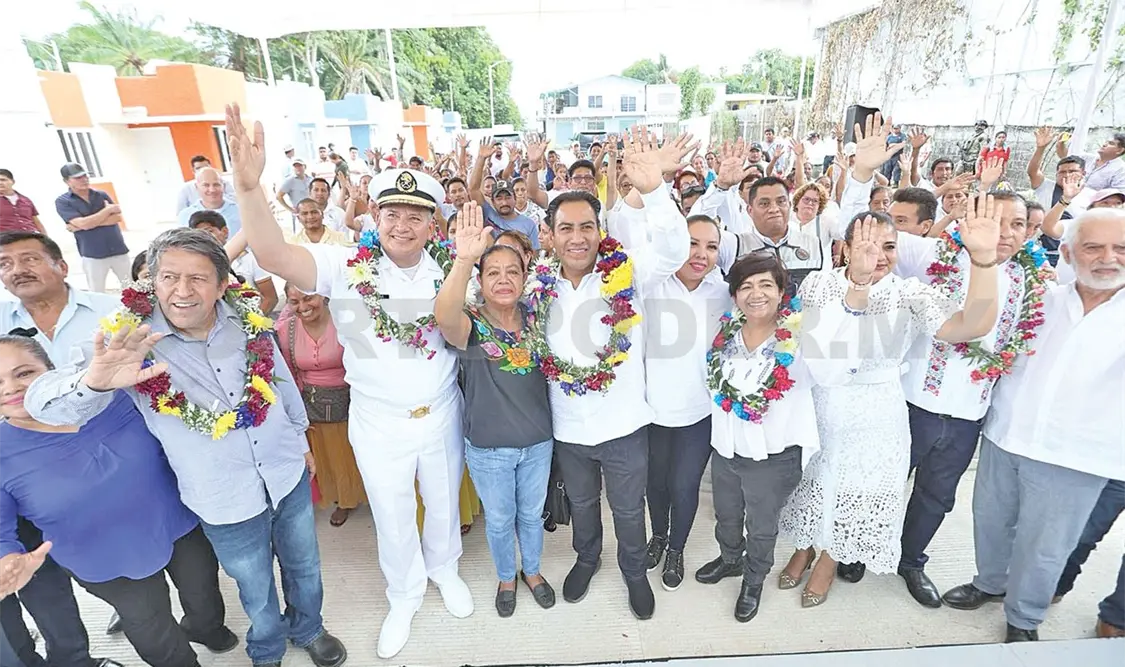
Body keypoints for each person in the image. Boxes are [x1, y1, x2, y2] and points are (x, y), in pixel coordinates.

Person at [24, 228, 347, 667]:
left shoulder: (247, 318)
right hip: (222, 495)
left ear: (220, 284)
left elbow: (280, 383)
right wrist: (93, 381)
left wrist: (299, 436)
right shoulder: (130, 340)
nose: (182, 291)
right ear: (152, 282)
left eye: (197, 278)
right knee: (254, 585)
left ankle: (309, 627)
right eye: (169, 277)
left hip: (284, 471)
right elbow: (45, 406)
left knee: (305, 566)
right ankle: (267, 647)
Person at [225, 103, 472, 661]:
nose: (402, 226)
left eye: (415, 215)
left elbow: (461, 334)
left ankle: (445, 571)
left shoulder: (453, 268)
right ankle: (404, 595)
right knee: (390, 513)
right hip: (377, 420)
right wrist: (248, 188)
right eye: (392, 214)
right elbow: (272, 253)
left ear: (433, 223)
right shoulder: (343, 266)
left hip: (440, 412)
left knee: (440, 499)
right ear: (374, 219)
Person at [778, 183, 1002, 607]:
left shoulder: (909, 292)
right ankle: (805, 544)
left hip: (879, 409)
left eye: (888, 246)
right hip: (825, 402)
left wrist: (984, 261)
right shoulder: (818, 286)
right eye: (866, 245)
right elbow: (824, 356)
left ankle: (829, 558)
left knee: (855, 489)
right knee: (818, 478)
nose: (878, 256)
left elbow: (969, 326)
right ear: (844, 248)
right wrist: (857, 285)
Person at [526, 127, 697, 621]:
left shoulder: (627, 273)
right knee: (581, 503)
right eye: (566, 228)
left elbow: (674, 250)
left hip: (623, 425)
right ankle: (586, 558)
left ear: (600, 230)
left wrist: (656, 190)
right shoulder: (538, 287)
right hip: (569, 426)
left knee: (627, 509)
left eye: (586, 227)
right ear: (552, 235)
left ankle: (633, 572)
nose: (577, 237)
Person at [941, 208, 1125, 642]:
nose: (1108, 258)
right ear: (1066, 252)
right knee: (990, 521)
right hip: (1006, 435)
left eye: (1121, 249)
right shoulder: (1040, 299)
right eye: (1094, 247)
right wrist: (983, 260)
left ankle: (1023, 619)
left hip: (1075, 455)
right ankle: (989, 584)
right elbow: (979, 328)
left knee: (1046, 548)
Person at [0, 334, 238, 667]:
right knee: (151, 626)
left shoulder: (115, 399)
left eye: (23, 373)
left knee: (203, 592)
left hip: (176, 524)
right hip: (104, 559)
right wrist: (7, 558)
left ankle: (205, 627)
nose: (10, 388)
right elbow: (2, 531)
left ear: (51, 370)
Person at [0, 232, 122, 667]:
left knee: (116, 556)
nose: (16, 269)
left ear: (62, 266)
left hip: (100, 467)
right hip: (19, 478)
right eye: (5, 264)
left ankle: (115, 616)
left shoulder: (109, 313)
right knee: (32, 581)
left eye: (29, 258)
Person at [433, 202, 556, 618]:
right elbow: (443, 314)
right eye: (493, 273)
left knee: (532, 514)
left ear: (525, 278)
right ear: (480, 281)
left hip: (538, 442)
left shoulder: (538, 318)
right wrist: (465, 260)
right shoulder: (469, 323)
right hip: (488, 449)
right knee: (501, 519)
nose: (504, 280)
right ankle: (507, 576)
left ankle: (533, 572)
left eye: (513, 272)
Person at [642, 214, 731, 592]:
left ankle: (676, 548)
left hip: (699, 413)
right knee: (655, 485)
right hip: (651, 412)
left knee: (684, 485)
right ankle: (658, 536)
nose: (701, 254)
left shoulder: (723, 292)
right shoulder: (651, 286)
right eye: (693, 243)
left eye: (711, 247)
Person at [277, 285, 367, 528]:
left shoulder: (346, 320)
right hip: (313, 403)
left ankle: (369, 494)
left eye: (308, 298)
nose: (303, 307)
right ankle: (343, 498)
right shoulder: (286, 331)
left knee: (356, 452)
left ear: (324, 295)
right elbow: (288, 372)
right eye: (294, 302)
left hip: (352, 398)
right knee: (329, 456)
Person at [54, 163, 130, 293]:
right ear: (67, 181)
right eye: (78, 178)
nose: (84, 180)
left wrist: (82, 225)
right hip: (93, 253)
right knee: (97, 291)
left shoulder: (101, 194)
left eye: (85, 176)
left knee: (131, 288)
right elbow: (84, 224)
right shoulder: (63, 201)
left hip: (117, 247)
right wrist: (106, 211)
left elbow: (116, 218)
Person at [187, 210, 279, 314]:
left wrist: (252, 323)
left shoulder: (251, 259)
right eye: (199, 234)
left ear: (225, 232)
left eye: (209, 231)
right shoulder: (193, 264)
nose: (205, 238)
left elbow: (270, 298)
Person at [177, 168, 242, 235]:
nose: (212, 190)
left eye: (216, 184)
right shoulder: (185, 215)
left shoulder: (241, 211)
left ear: (223, 186)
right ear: (196, 187)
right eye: (206, 185)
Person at [0, 170, 46, 234]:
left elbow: (36, 222)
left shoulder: (26, 200)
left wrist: (46, 239)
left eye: (3, 180)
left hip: (32, 235)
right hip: (7, 239)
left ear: (13, 182)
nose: (0, 183)